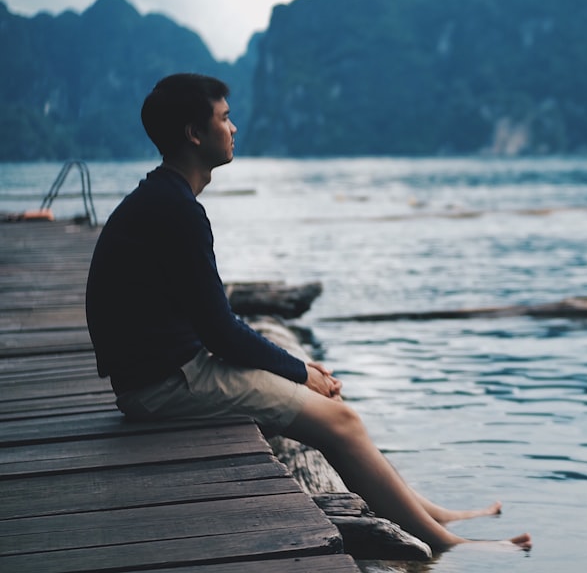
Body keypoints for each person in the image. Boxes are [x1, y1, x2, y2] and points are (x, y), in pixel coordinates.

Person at [85, 72, 531, 553]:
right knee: (342, 423)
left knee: (334, 413)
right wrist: (301, 371)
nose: (233, 128)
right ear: (195, 133)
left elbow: (213, 324)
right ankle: (446, 543)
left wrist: (300, 372)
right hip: (165, 386)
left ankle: (430, 514)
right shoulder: (176, 211)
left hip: (162, 375)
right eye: (224, 118)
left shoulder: (161, 199)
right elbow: (221, 331)